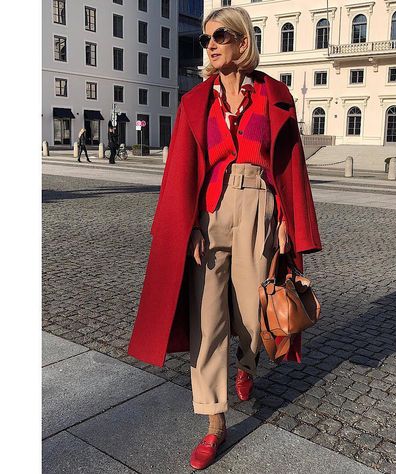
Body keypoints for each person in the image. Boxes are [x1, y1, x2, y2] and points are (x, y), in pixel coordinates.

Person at [127, 5, 322, 471]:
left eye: (219, 36)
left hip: (259, 206)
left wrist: (289, 222)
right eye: (206, 39)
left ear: (242, 42)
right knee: (206, 318)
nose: (210, 44)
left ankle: (247, 364)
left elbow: (291, 162)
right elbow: (181, 168)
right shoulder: (196, 101)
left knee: (253, 312)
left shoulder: (274, 95)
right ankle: (215, 424)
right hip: (211, 211)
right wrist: (190, 223)